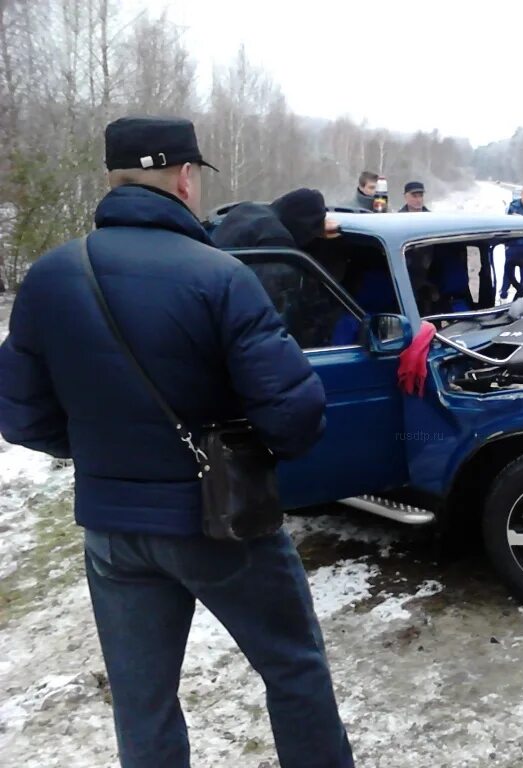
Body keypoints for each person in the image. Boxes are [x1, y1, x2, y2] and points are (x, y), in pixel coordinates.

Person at [0, 116, 356, 768]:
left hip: (112, 533)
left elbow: (20, 417)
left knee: (143, 705)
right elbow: (297, 416)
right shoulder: (219, 277)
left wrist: (105, 450)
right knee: (294, 670)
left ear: (114, 177)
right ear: (185, 178)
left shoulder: (52, 277)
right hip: (224, 525)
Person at [211, 187, 340, 250]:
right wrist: (317, 229)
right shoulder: (276, 238)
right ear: (304, 227)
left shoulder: (246, 209)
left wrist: (317, 226)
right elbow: (275, 292)